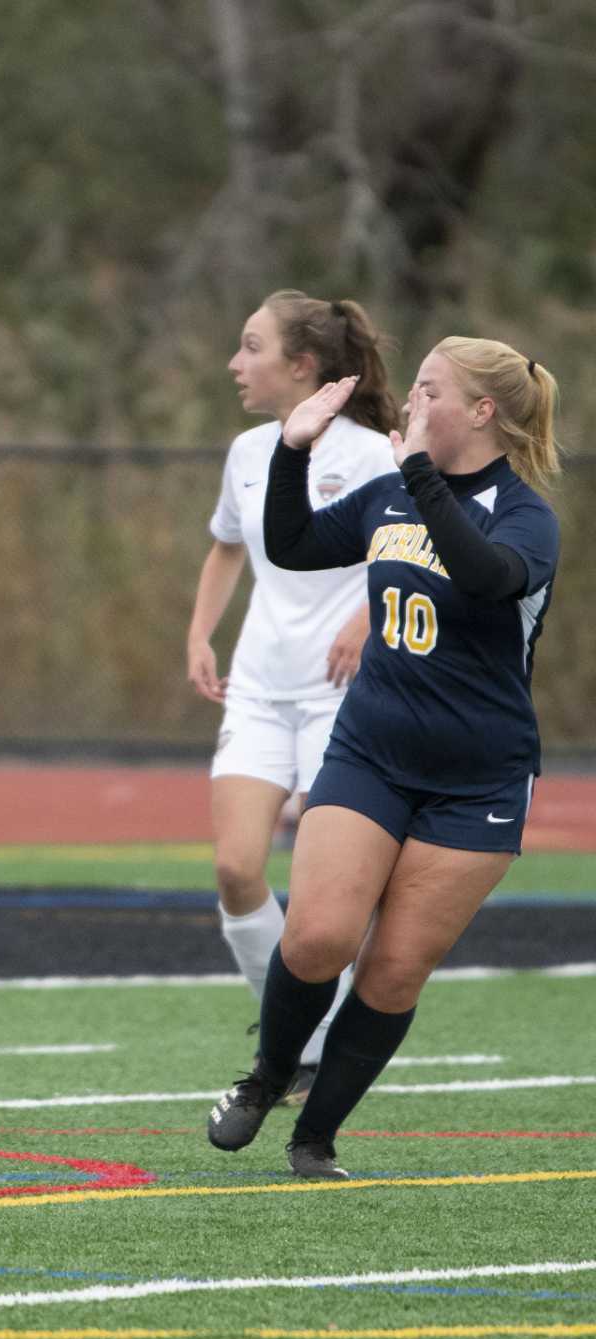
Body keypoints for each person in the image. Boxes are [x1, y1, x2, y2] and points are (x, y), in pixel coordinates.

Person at [205, 340, 561, 1180]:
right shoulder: (395, 493)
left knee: (395, 969)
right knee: (320, 934)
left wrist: (422, 481)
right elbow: (289, 543)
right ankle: (266, 1077)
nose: (410, 405)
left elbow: (484, 577)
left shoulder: (525, 515)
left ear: (480, 412)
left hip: (478, 779)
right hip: (371, 751)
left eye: (429, 392)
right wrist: (294, 451)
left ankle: (316, 1136)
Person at [186, 291, 398, 1104]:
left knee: (321, 902)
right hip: (260, 692)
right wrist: (200, 634)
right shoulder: (246, 449)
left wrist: (363, 618)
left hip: (344, 697)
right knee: (237, 867)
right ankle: (304, 1036)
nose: (237, 364)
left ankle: (305, 1042)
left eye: (251, 348)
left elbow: (402, 553)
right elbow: (225, 549)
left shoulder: (375, 452)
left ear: (302, 366)